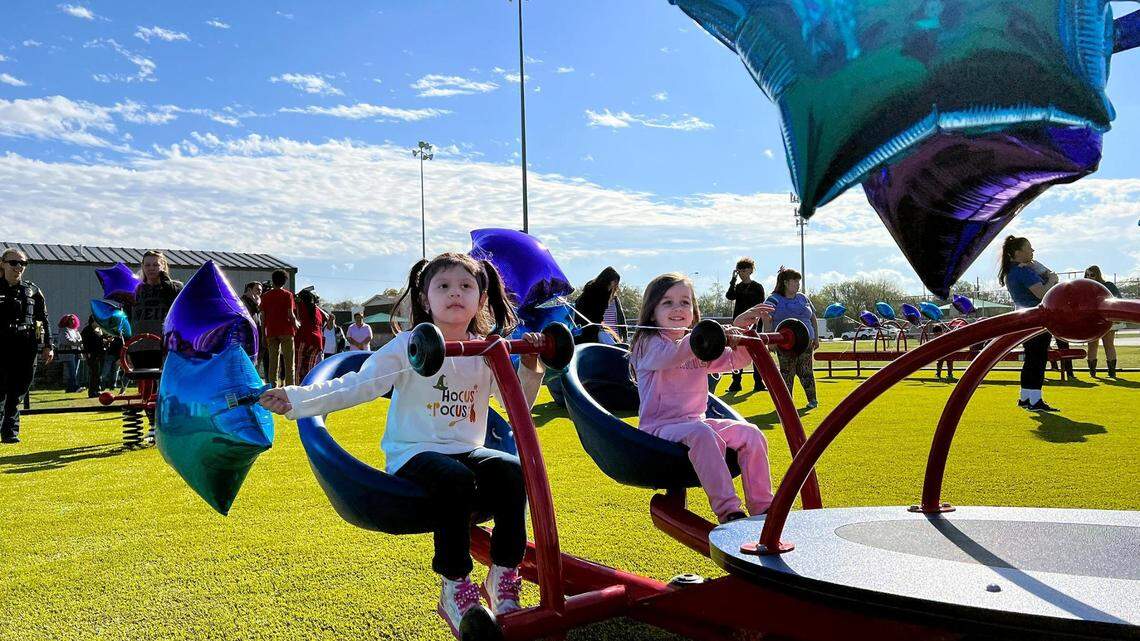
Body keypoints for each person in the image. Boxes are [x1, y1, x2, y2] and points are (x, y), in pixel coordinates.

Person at [258, 253, 546, 636]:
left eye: (465, 286)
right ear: (426, 298)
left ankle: (503, 574)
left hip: (466, 449)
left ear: (481, 298)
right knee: (455, 479)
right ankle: (455, 585)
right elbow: (358, 385)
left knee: (511, 470)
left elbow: (517, 405)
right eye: (444, 286)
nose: (455, 293)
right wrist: (296, 398)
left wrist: (532, 364)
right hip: (414, 452)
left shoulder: (486, 350)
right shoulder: (411, 345)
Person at [628, 272, 775, 523]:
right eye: (668, 302)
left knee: (751, 434)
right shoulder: (648, 344)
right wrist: (705, 335)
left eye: (685, 302)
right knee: (703, 434)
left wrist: (741, 332)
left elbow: (735, 360)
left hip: (696, 423)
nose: (678, 309)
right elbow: (672, 356)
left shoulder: (698, 345)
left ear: (694, 311)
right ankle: (729, 511)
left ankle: (763, 508)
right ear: (652, 312)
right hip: (658, 428)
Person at [999, 236, 1059, 412]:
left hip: (1024, 318)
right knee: (1038, 358)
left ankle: (1025, 397)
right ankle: (1035, 400)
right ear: (1018, 252)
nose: (1033, 251)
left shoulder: (1013, 271)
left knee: (1031, 358)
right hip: (1036, 318)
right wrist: (1052, 280)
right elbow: (1042, 294)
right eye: (1029, 248)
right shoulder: (1022, 271)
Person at [0, 248, 53, 443]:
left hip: (25, 345)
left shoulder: (32, 290)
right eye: (14, 262)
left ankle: (10, 432)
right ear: (2, 263)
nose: (19, 267)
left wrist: (48, 345)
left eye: (23, 263)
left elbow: (43, 319)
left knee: (18, 389)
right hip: (2, 344)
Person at [763, 268, 820, 409]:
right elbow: (766, 316)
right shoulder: (774, 299)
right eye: (795, 281)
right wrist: (770, 339)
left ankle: (812, 400)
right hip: (785, 344)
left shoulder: (803, 298)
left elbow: (813, 318)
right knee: (787, 373)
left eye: (798, 281)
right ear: (785, 282)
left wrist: (816, 337)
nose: (798, 284)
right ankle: (786, 404)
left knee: (806, 371)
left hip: (806, 342)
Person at [128, 250, 183, 371]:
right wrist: (126, 348)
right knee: (143, 381)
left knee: (163, 381)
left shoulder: (175, 286)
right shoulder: (135, 289)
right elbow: (127, 319)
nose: (151, 268)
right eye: (147, 265)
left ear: (163, 266)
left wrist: (164, 278)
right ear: (142, 266)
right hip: (139, 346)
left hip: (165, 346)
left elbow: (174, 296)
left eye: (156, 265)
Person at [725, 257, 767, 393]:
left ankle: (758, 383)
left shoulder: (757, 287)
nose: (741, 273)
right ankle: (736, 383)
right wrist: (733, 280)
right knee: (737, 351)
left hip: (754, 323)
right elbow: (729, 296)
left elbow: (760, 305)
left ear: (750, 270)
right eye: (739, 271)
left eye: (744, 270)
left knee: (756, 353)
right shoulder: (738, 287)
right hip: (738, 324)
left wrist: (756, 322)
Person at [1081, 266, 1122, 378]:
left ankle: (1112, 372)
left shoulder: (1108, 285)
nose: (1089, 277)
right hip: (1092, 321)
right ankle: (1092, 372)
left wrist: (1116, 316)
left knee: (1108, 344)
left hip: (1107, 319)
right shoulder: (1084, 289)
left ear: (1098, 275)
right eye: (1087, 275)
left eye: (1092, 275)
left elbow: (1118, 300)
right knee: (1092, 345)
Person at [260, 269, 297, 386]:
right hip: (286, 331)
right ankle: (290, 388)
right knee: (289, 363)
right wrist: (296, 323)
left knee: (273, 363)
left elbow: (263, 318)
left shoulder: (265, 296)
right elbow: (290, 314)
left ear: (273, 280)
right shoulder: (288, 295)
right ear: (284, 281)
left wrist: (263, 335)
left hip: (271, 332)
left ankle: (273, 387)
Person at [574, 266, 626, 344]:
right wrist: (599, 326)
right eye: (615, 282)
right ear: (609, 280)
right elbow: (596, 313)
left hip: (584, 325)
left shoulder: (592, 288)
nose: (615, 285)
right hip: (588, 327)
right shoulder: (599, 292)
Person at [294, 287, 326, 384]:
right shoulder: (318, 311)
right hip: (317, 342)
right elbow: (327, 317)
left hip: (303, 339)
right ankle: (308, 387)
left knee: (297, 368)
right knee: (309, 369)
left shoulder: (299, 307)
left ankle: (297, 388)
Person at [57, 314, 83, 393]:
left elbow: (80, 339)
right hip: (68, 353)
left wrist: (78, 342)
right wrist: (77, 342)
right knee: (71, 371)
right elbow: (66, 340)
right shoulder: (63, 330)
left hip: (77, 352)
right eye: (70, 319)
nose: (72, 321)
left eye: (73, 319)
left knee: (75, 371)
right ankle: (74, 387)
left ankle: (70, 388)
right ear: (66, 321)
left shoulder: (75, 330)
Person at [81, 315, 106, 398]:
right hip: (92, 354)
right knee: (94, 373)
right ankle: (92, 391)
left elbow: (101, 341)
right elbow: (85, 343)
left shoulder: (99, 329)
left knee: (99, 373)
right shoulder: (87, 330)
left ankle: (97, 389)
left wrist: (105, 340)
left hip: (100, 354)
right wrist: (88, 353)